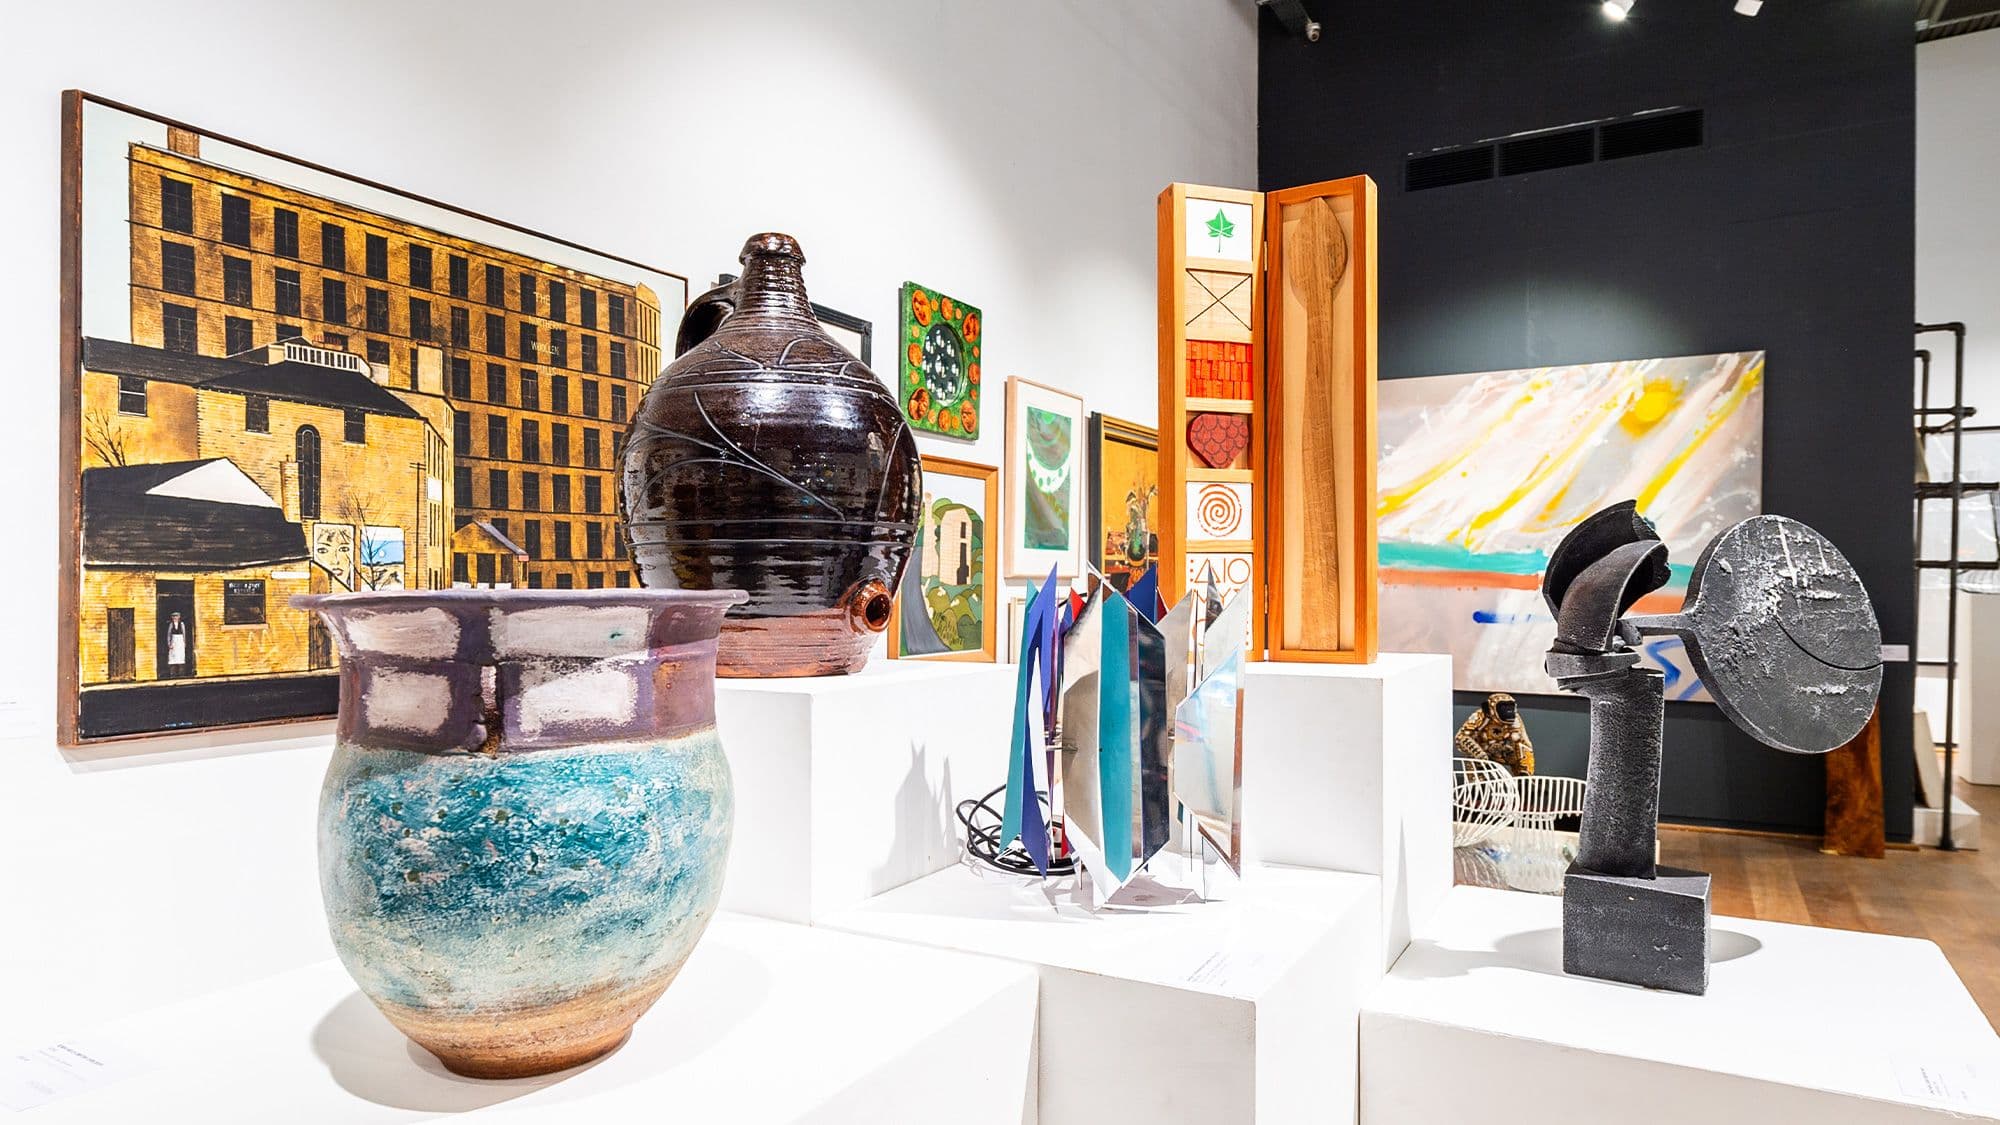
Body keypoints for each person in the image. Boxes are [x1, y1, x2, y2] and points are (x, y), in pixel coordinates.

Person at [166, 611, 188, 677]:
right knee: (173, 657)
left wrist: (184, 642)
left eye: (176, 616)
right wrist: (169, 643)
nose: (175, 618)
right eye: (174, 616)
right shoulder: (171, 624)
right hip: (174, 641)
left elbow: (184, 633)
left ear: (179, 617)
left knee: (180, 656)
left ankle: (181, 673)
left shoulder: (182, 624)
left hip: (180, 641)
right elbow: (169, 634)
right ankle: (173, 673)